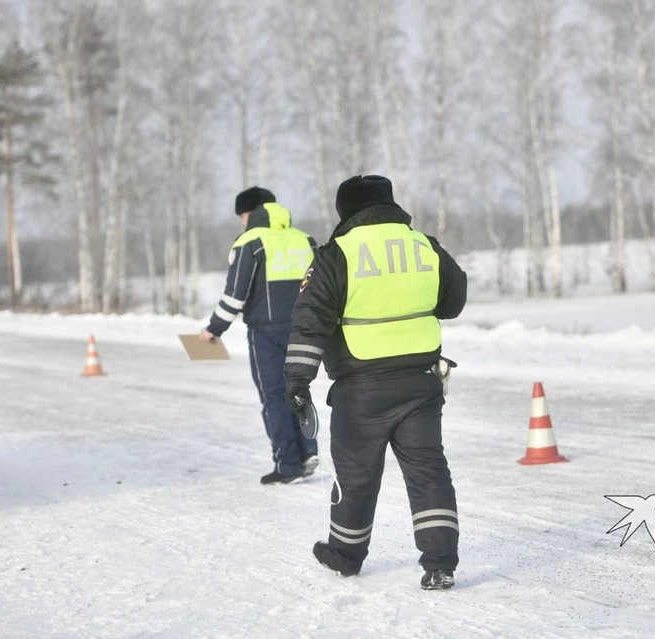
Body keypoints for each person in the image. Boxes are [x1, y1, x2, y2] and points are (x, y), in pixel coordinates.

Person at [283, 175, 467, 590]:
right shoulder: (425, 246)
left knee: (357, 476)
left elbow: (310, 323)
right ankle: (440, 563)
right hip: (421, 384)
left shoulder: (336, 255)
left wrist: (297, 381)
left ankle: (345, 557)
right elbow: (453, 302)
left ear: (346, 210)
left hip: (361, 387)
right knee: (429, 473)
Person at [200, 187, 319, 485]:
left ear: (250, 212)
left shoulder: (250, 242)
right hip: (304, 327)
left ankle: (288, 466)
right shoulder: (304, 240)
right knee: (299, 389)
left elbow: (234, 296)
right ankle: (308, 452)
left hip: (266, 332)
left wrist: (214, 329)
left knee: (275, 398)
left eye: (242, 216)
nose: (241, 222)